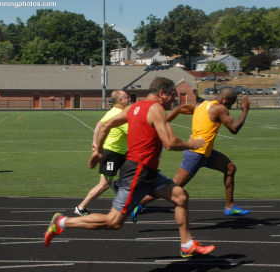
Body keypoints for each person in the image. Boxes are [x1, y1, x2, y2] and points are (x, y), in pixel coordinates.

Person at [44, 77, 215, 257]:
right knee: (114, 221)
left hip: (148, 172)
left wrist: (98, 150)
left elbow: (106, 125)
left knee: (180, 196)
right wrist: (192, 144)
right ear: (162, 94)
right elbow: (170, 143)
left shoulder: (134, 107)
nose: (174, 101)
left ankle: (187, 245)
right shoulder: (156, 109)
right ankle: (62, 222)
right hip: (138, 171)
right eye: (173, 96)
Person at [132, 87, 251, 222]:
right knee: (174, 186)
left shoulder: (201, 105)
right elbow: (234, 128)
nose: (229, 108)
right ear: (225, 99)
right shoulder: (220, 108)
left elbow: (180, 108)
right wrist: (245, 111)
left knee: (230, 167)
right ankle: (140, 202)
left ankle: (230, 206)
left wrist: (164, 122)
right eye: (230, 104)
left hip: (206, 153)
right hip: (196, 155)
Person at [73, 90, 129, 216]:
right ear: (120, 100)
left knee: (133, 173)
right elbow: (133, 132)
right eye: (126, 97)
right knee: (104, 184)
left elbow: (99, 124)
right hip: (111, 154)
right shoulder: (119, 115)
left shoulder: (112, 112)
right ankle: (81, 207)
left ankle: (119, 188)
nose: (129, 99)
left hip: (120, 153)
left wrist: (94, 141)